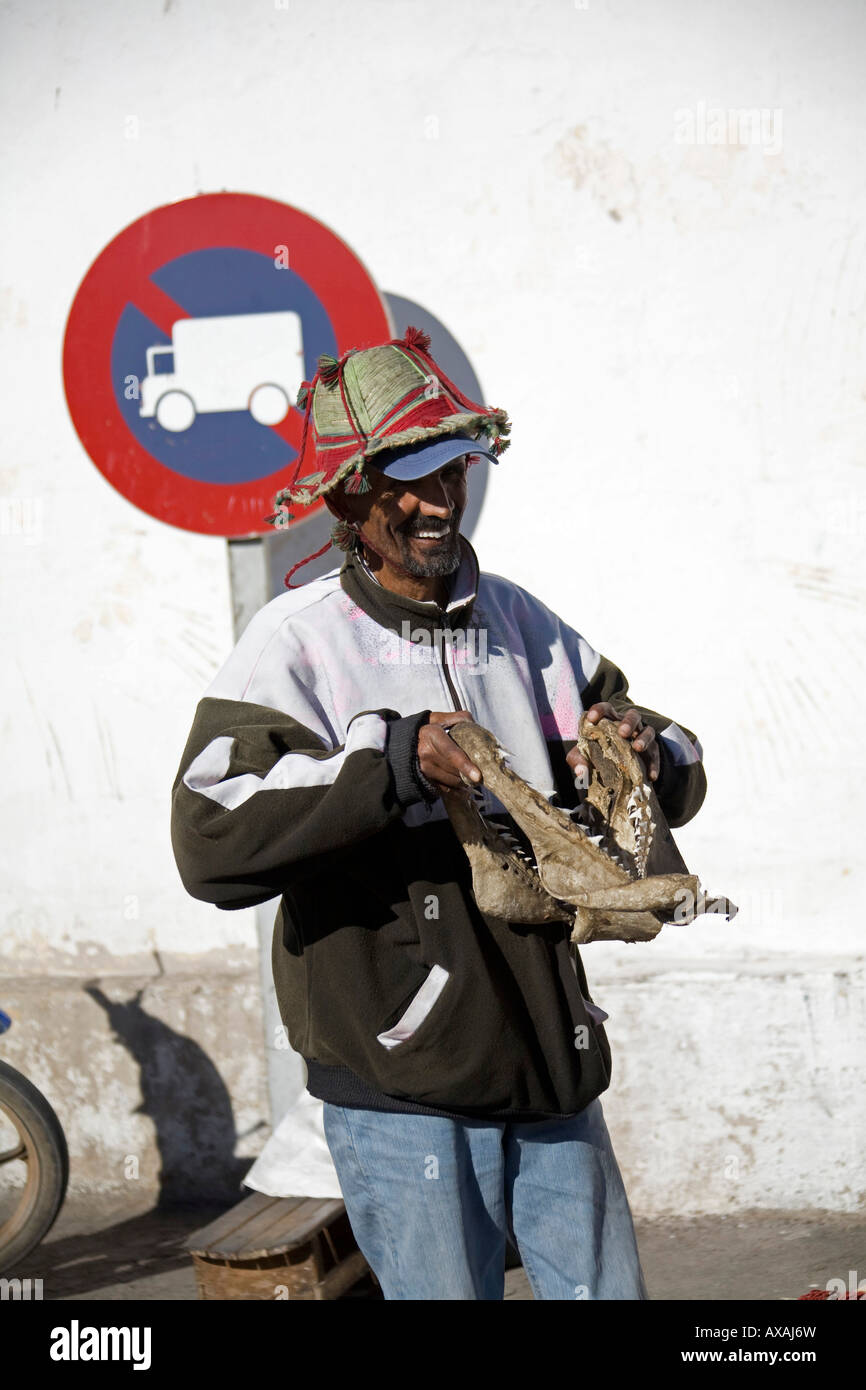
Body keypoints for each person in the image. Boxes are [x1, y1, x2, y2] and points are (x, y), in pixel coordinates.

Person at [170, 327, 707, 1300]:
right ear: (347, 498)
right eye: (401, 482)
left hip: (550, 1066)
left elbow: (669, 755)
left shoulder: (522, 626)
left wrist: (640, 747)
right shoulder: (294, 647)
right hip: (401, 1087)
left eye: (446, 471)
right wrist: (388, 761)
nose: (432, 500)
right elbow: (210, 836)